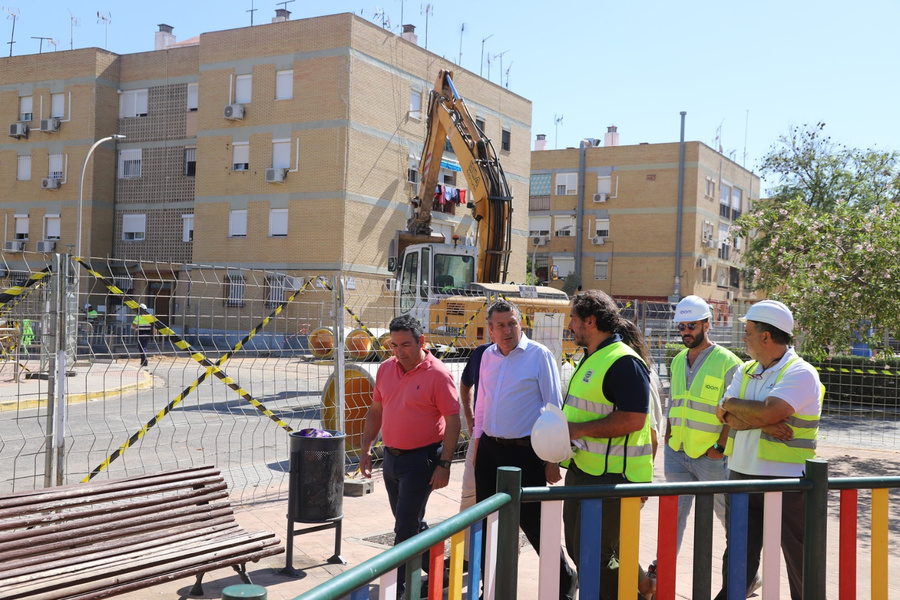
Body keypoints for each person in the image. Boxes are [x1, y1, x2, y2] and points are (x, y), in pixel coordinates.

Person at [713, 300, 823, 600]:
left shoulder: (800, 373)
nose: (743, 337)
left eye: (747, 331)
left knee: (798, 558)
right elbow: (721, 414)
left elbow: (767, 411)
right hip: (741, 475)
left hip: (786, 480)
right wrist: (760, 420)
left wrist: (739, 409)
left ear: (766, 337)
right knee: (738, 554)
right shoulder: (746, 369)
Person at [472, 299, 577, 600]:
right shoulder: (486, 357)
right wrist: (478, 446)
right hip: (490, 450)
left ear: (521, 324)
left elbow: (553, 407)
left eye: (512, 323)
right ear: (490, 330)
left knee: (532, 522)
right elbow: (482, 404)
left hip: (525, 453)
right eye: (500, 325)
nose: (507, 330)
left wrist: (552, 458)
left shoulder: (538, 355)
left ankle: (565, 580)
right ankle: (490, 589)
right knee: (487, 521)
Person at [561, 290, 653, 600]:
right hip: (584, 470)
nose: (569, 325)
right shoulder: (592, 357)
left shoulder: (624, 362)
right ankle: (637, 591)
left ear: (590, 320)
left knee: (600, 558)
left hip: (613, 478)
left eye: (573, 318)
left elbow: (633, 420)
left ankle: (634, 594)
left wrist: (577, 430)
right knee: (579, 550)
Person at [359, 314, 461, 592]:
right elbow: (376, 411)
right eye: (394, 345)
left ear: (421, 342)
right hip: (391, 459)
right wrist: (366, 449)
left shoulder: (438, 374)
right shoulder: (385, 369)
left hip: (422, 460)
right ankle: (438, 567)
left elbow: (454, 421)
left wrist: (445, 464)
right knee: (410, 520)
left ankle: (398, 587)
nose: (399, 352)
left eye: (405, 345)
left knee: (404, 527)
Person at [665, 296, 742, 557]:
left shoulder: (728, 362)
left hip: (711, 457)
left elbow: (736, 411)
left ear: (706, 325)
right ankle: (663, 575)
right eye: (682, 327)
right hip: (677, 452)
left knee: (728, 516)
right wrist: (668, 439)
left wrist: (719, 447)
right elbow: (673, 404)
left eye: (692, 326)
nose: (686, 332)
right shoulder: (677, 361)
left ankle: (745, 571)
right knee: (671, 518)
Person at [458, 340, 491, 563]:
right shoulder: (481, 353)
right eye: (496, 325)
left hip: (516, 442)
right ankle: (467, 558)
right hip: (481, 437)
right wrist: (470, 416)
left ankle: (506, 551)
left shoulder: (530, 355)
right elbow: (465, 383)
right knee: (470, 496)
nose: (503, 330)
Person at [132, 303, 153, 367]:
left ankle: (144, 361)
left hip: (141, 333)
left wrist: (136, 329)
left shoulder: (138, 316)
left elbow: (134, 325)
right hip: (148, 333)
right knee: (144, 347)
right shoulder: (149, 316)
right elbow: (153, 324)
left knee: (141, 348)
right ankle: (142, 361)